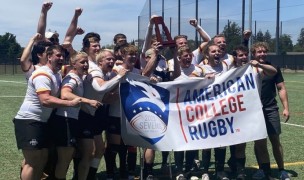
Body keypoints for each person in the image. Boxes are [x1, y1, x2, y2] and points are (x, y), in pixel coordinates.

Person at [13, 44, 81, 180]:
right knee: (32, 162)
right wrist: (70, 103)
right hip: (29, 120)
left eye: (63, 56)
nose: (61, 58)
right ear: (49, 57)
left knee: (42, 159)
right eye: (58, 55)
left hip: (41, 121)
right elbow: (45, 99)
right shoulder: (43, 74)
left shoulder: (55, 74)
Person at [48, 51, 102, 179]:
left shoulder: (79, 77)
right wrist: (88, 101)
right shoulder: (71, 78)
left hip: (72, 120)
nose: (85, 65)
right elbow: (65, 94)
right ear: (73, 64)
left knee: (74, 155)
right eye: (82, 62)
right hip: (64, 120)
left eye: (86, 62)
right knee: (64, 159)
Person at [228, 44, 277, 180]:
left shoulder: (255, 69)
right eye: (240, 55)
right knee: (240, 145)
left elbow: (273, 72)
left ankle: (266, 172)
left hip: (256, 112)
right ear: (235, 57)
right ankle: (240, 172)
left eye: (245, 55)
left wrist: (260, 65)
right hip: (239, 113)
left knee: (261, 144)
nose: (243, 57)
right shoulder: (230, 71)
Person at [251, 42, 291, 180]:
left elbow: (281, 88)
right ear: (253, 54)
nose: (262, 54)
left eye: (264, 52)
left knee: (275, 140)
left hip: (270, 109)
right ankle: (263, 170)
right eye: (258, 52)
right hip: (254, 111)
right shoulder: (248, 69)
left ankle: (282, 170)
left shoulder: (273, 68)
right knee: (259, 142)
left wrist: (286, 108)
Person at [104, 44, 140, 180]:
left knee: (129, 145)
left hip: (131, 115)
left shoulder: (137, 71)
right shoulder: (115, 70)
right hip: (115, 113)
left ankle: (127, 172)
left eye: (135, 54)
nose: (133, 57)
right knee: (114, 146)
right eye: (130, 54)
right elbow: (107, 92)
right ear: (123, 56)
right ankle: (110, 172)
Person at [198, 43, 233, 180]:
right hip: (207, 110)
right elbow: (191, 83)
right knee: (207, 142)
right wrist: (202, 80)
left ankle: (220, 170)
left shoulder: (226, 65)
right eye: (213, 51)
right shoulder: (201, 68)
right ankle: (205, 171)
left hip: (223, 109)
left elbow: (241, 59)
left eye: (219, 51)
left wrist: (245, 41)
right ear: (207, 54)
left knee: (222, 142)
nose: (217, 53)